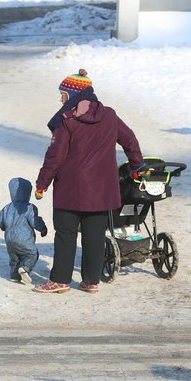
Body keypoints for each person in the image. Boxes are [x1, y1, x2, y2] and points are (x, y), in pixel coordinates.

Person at [34, 68, 144, 294]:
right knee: (94, 236)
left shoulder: (67, 121)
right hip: (102, 191)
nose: (60, 99)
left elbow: (55, 156)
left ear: (74, 95)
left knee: (66, 234)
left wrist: (42, 184)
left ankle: (60, 281)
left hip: (70, 190)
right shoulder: (110, 115)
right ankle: (91, 281)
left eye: (63, 94)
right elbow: (129, 139)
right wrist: (137, 166)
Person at [0, 177, 48, 284]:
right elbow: (35, 221)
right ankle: (25, 268)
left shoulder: (7, 208)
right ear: (27, 193)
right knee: (31, 254)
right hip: (24, 239)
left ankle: (14, 276)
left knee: (14, 258)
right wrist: (43, 229)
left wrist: (3, 226)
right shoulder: (29, 207)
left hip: (9, 240)